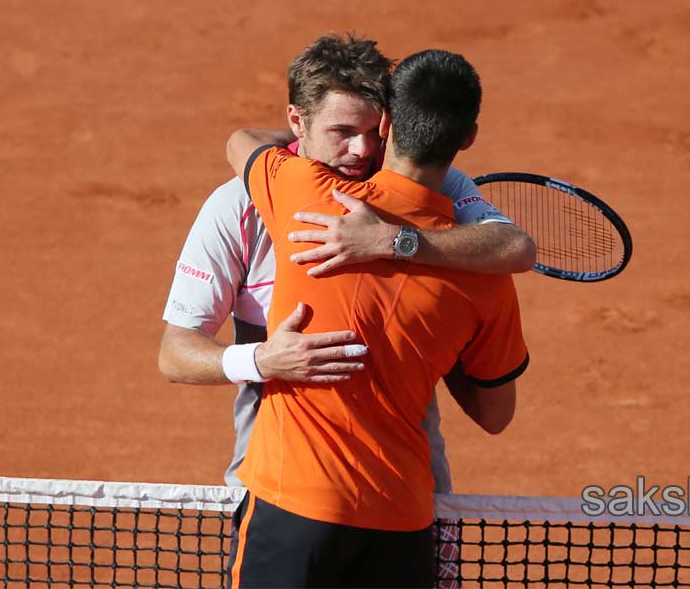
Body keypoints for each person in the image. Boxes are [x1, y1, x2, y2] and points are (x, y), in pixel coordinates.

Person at [158, 34, 535, 494]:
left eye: (371, 132)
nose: (361, 151)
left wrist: (395, 241)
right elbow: (175, 352)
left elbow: (514, 246)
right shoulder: (237, 205)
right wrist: (260, 359)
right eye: (341, 132)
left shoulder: (431, 185)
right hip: (276, 486)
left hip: (406, 489)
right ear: (297, 121)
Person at [225, 49, 529, 587]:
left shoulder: (307, 195)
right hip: (401, 520)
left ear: (384, 123)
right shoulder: (488, 274)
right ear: (468, 138)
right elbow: (495, 413)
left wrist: (306, 127)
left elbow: (241, 141)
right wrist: (436, 341)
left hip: (293, 505)